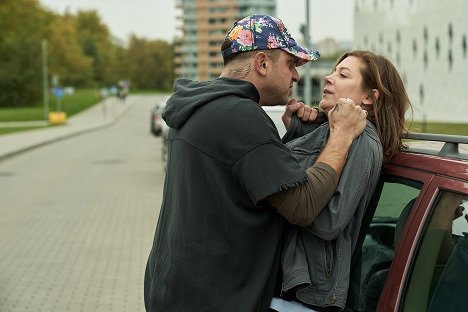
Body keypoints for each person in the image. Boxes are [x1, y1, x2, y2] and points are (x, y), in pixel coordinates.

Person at [143, 14, 367, 312]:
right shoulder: (240, 116)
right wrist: (341, 135)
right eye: (291, 65)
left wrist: (290, 138)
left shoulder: (200, 108)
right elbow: (303, 206)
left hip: (174, 291)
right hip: (214, 301)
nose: (297, 77)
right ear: (262, 63)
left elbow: (248, 183)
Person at [269, 51, 411, 312]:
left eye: (342, 75)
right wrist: (298, 131)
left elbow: (329, 220)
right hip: (287, 285)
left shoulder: (361, 139)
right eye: (333, 71)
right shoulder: (330, 131)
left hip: (307, 295)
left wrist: (280, 200)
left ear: (369, 97)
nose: (328, 78)